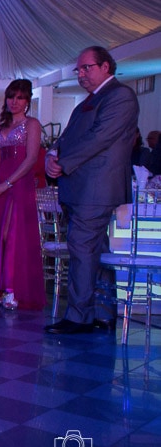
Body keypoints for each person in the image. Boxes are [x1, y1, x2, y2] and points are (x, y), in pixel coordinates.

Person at [44, 46, 139, 334]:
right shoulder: (88, 101)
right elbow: (66, 137)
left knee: (83, 249)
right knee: (96, 250)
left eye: (87, 68)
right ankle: (103, 311)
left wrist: (64, 163)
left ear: (106, 67)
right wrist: (52, 155)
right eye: (79, 69)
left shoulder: (119, 96)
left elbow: (100, 138)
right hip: (82, 187)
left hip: (95, 187)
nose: (82, 74)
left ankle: (79, 316)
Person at [0, 79, 45, 310]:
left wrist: (7, 183)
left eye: (20, 97)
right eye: (11, 97)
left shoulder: (32, 124)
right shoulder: (1, 125)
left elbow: (32, 159)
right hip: (0, 185)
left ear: (27, 101)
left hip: (19, 183)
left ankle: (14, 288)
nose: (14, 102)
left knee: (14, 235)